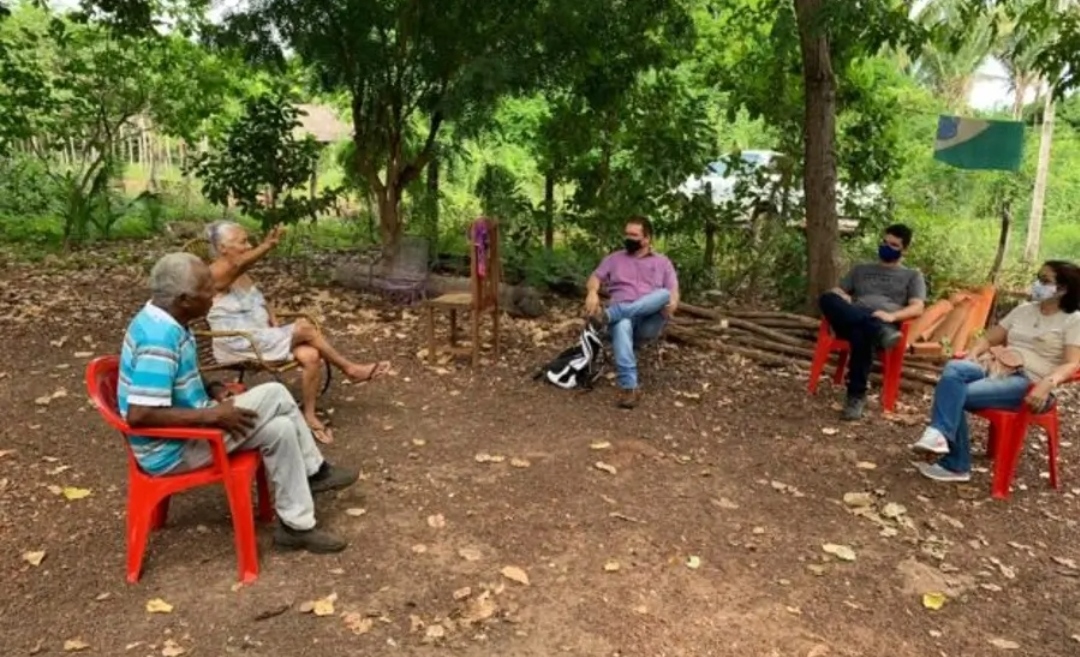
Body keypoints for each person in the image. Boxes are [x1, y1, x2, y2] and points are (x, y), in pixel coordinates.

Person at [119, 253, 357, 553]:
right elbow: (139, 415)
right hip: (172, 450)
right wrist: (211, 417)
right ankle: (316, 472)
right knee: (275, 393)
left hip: (188, 431)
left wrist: (213, 387)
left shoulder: (170, 320)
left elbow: (173, 379)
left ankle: (296, 527)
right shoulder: (159, 338)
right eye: (208, 290)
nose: (215, 295)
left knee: (282, 428)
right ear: (185, 299)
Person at [204, 221, 390, 444]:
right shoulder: (214, 273)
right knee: (304, 327)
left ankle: (309, 415)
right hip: (237, 343)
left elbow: (257, 299)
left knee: (310, 355)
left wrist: (271, 316)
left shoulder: (243, 274)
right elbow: (238, 265)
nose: (248, 246)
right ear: (223, 247)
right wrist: (268, 245)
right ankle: (350, 369)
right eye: (242, 241)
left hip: (261, 337)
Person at [910, 260, 1080, 483]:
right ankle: (939, 436)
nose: (1037, 284)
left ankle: (954, 462)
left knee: (954, 393)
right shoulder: (1023, 310)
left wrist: (1047, 384)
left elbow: (1071, 363)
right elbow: (990, 337)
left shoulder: (1073, 320)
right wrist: (972, 355)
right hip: (996, 367)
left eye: (1045, 281)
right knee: (954, 368)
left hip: (1030, 381)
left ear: (1063, 289)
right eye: (1037, 278)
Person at [818, 223, 926, 420]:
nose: (886, 247)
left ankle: (855, 397)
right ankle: (873, 329)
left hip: (884, 321)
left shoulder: (912, 276)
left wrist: (892, 317)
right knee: (827, 298)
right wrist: (842, 295)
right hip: (857, 320)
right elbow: (839, 290)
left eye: (893, 245)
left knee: (861, 334)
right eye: (884, 242)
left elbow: (918, 307)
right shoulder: (860, 270)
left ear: (905, 249)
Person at [585, 216, 679, 409]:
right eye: (626, 234)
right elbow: (595, 277)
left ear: (647, 239)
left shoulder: (663, 263)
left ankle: (611, 315)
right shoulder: (614, 259)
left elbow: (672, 292)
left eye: (634, 235)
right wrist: (592, 291)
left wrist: (673, 303)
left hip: (650, 319)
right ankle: (629, 387)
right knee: (622, 324)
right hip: (624, 322)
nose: (628, 238)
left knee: (662, 294)